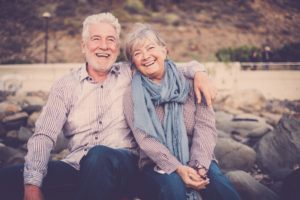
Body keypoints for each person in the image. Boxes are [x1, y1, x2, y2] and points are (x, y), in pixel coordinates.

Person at [0, 13, 216, 200]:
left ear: (117, 47)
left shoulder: (130, 73)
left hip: (125, 166)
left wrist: (199, 72)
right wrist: (32, 185)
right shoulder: (65, 85)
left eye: (110, 40)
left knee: (99, 156)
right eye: (96, 39)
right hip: (77, 165)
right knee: (7, 180)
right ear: (84, 46)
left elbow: (162, 64)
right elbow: (44, 135)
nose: (104, 46)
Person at [123, 24, 241, 200]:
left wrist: (199, 166)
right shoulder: (132, 94)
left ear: (164, 51)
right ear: (133, 62)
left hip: (198, 157)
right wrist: (178, 168)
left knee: (222, 191)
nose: (145, 56)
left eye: (150, 48)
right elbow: (145, 139)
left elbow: (205, 127)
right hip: (156, 164)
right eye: (137, 53)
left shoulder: (193, 82)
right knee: (173, 189)